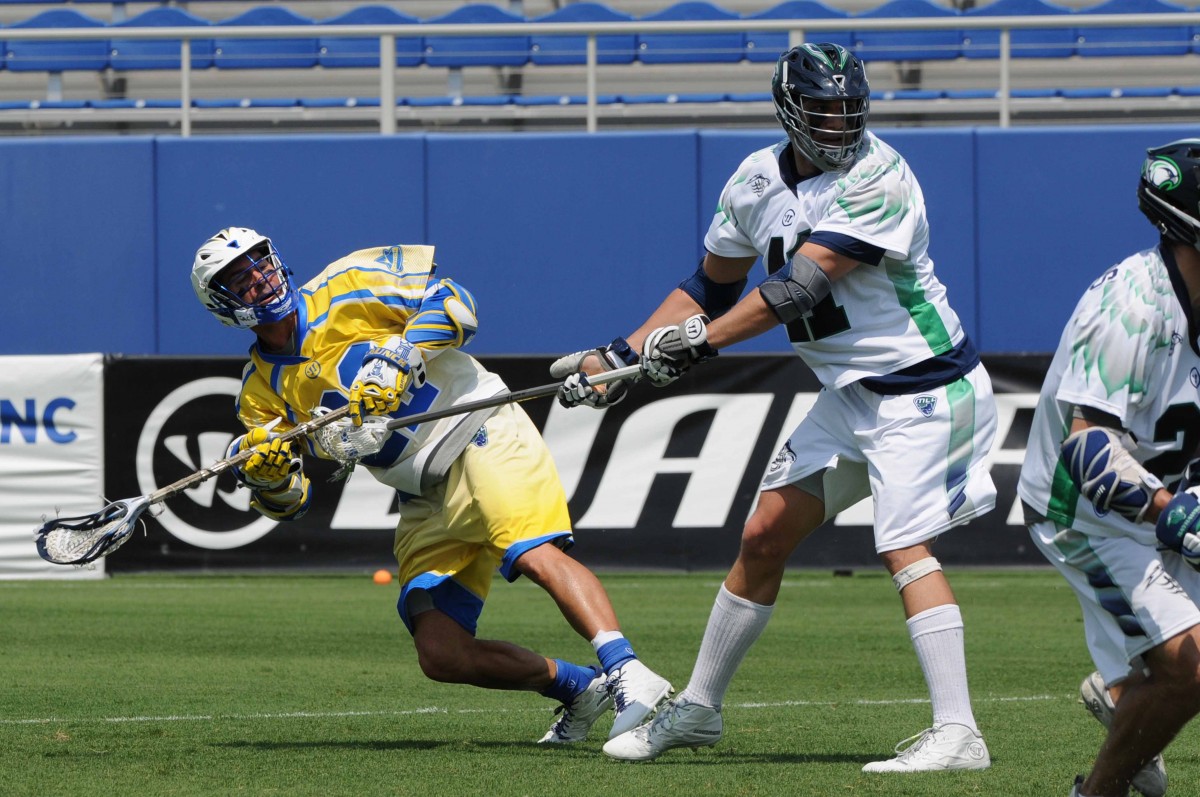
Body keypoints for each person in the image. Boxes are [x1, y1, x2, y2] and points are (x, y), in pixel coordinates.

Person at [553, 42, 997, 772]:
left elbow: (799, 287)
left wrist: (699, 343)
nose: (839, 122)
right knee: (763, 536)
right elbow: (710, 286)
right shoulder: (755, 179)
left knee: (903, 544)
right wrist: (619, 357)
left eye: (849, 108)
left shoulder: (881, 174)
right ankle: (699, 708)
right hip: (850, 395)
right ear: (790, 111)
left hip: (923, 387)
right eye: (823, 109)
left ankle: (959, 732)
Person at [189, 227, 672, 744]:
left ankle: (627, 669)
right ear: (223, 306)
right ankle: (581, 687)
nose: (261, 280)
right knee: (442, 653)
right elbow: (292, 503)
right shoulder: (259, 393)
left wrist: (402, 356)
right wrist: (268, 478)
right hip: (421, 489)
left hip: (477, 428)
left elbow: (457, 303)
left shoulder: (344, 283)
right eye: (242, 280)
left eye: (261, 264)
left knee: (531, 552)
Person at [1018, 139, 1200, 797]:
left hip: (1169, 491)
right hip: (1082, 511)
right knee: (1188, 669)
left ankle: (1126, 693)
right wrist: (1172, 513)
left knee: (1178, 675)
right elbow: (1087, 449)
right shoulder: (1134, 305)